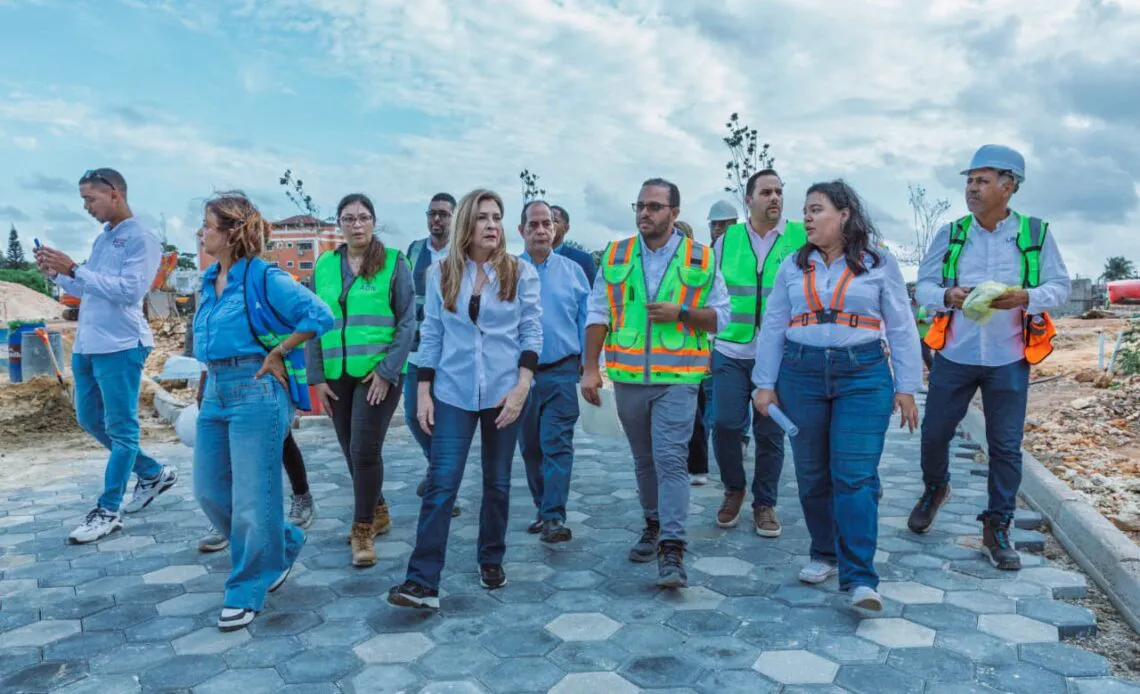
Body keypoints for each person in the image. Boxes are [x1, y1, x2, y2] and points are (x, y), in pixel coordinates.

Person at [752, 180, 922, 611]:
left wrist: (906, 387)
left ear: (843, 214)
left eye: (816, 209)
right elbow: (773, 326)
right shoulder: (793, 266)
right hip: (800, 374)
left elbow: (901, 326)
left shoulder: (878, 263)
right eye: (806, 211)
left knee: (855, 476)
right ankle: (823, 553)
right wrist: (764, 383)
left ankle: (860, 578)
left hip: (863, 376)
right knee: (811, 475)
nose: (806, 217)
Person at [910, 145, 1070, 570]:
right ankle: (935, 488)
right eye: (969, 180)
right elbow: (923, 287)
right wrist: (948, 295)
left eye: (982, 180)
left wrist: (1027, 297)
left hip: (1009, 357)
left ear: (1009, 185)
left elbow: (1060, 287)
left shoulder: (1035, 234)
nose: (972, 188)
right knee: (934, 434)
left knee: (1005, 447)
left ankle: (997, 527)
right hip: (955, 355)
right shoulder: (952, 233)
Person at [388, 189, 542, 609]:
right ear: (465, 226)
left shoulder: (520, 273)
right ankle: (422, 582)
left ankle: (491, 558)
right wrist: (423, 391)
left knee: (496, 482)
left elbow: (531, 332)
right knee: (442, 483)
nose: (492, 225)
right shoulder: (439, 273)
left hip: (504, 392)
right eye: (482, 218)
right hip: (452, 390)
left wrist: (522, 386)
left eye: (497, 217)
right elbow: (432, 333)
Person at [192, 191, 333, 630]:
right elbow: (207, 339)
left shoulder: (264, 277)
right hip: (216, 391)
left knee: (254, 500)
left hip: (256, 391)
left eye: (208, 225)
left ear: (232, 232)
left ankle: (247, 587)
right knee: (209, 489)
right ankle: (284, 541)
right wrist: (203, 381)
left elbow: (319, 315)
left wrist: (280, 350)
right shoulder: (206, 280)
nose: (200, 232)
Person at [581, 178, 730, 588]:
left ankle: (672, 548)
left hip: (679, 379)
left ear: (674, 213)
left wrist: (682, 313)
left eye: (655, 207)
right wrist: (590, 368)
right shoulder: (616, 254)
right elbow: (598, 312)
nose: (645, 213)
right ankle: (653, 524)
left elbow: (723, 317)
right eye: (641, 205)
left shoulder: (701, 258)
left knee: (670, 459)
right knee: (644, 460)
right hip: (629, 377)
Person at [34, 168, 174, 544]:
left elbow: (129, 292)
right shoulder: (103, 238)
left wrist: (74, 267)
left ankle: (107, 510)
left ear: (114, 193)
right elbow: (88, 287)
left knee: (122, 429)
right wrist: (57, 273)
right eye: (83, 200)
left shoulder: (141, 238)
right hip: (88, 344)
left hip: (121, 345)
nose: (86, 207)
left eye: (90, 199)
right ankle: (153, 473)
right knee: (90, 419)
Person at [307, 194, 415, 567]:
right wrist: (316, 376)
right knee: (349, 446)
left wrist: (387, 372)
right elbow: (312, 323)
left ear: (374, 222)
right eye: (349, 218)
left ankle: (363, 527)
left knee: (364, 450)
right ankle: (379, 507)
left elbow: (407, 322)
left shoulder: (394, 262)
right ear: (339, 223)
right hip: (336, 376)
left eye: (363, 217)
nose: (356, 224)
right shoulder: (323, 265)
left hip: (376, 375)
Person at [711, 169, 807, 538]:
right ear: (748, 199)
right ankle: (734, 488)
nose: (775, 198)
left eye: (779, 192)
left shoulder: (800, 237)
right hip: (730, 348)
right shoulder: (727, 239)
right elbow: (712, 293)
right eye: (766, 192)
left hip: (779, 352)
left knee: (769, 432)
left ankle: (765, 503)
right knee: (725, 424)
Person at [517, 200, 589, 543]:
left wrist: (588, 366)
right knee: (530, 447)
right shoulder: (509, 271)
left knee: (556, 444)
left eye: (547, 224)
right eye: (534, 225)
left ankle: (554, 517)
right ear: (522, 231)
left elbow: (587, 320)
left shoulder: (573, 272)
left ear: (555, 229)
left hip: (562, 371)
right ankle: (542, 507)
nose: (542, 230)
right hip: (520, 377)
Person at [405, 193, 462, 517]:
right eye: (432, 213)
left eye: (443, 214)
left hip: (453, 353)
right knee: (414, 415)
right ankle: (436, 469)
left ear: (454, 218)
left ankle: (445, 488)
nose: (436, 219)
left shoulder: (463, 252)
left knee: (446, 422)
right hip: (416, 349)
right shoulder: (414, 251)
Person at [673, 220, 711, 485]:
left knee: (694, 412)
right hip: (663, 352)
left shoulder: (700, 266)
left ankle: (697, 466)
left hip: (692, 350)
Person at [551, 205, 598, 286]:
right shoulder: (528, 261)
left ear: (566, 228)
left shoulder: (582, 260)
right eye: (546, 222)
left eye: (554, 221)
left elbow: (593, 295)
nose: (549, 226)